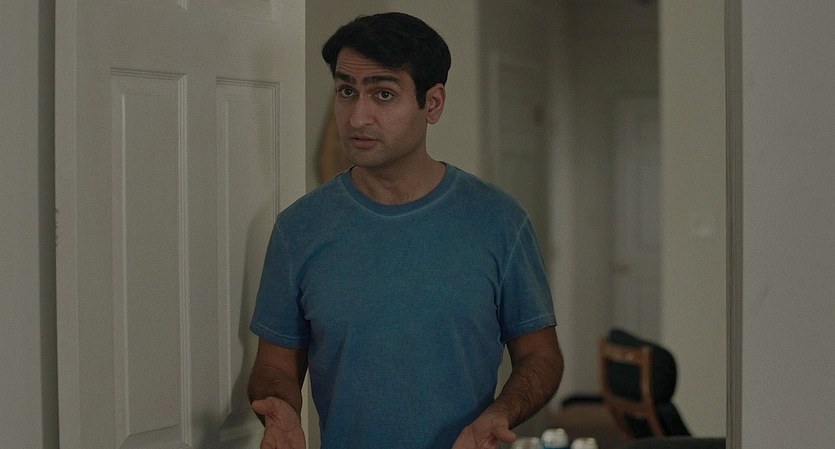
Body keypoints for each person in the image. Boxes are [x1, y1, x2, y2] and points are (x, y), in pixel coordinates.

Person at [248, 12, 563, 449]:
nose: (357, 117)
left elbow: (541, 357)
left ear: (432, 104)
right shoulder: (298, 229)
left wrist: (501, 413)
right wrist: (279, 408)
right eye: (346, 91)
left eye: (383, 94)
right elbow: (274, 365)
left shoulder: (499, 222)